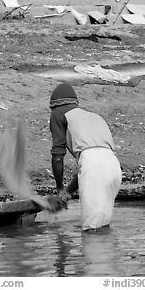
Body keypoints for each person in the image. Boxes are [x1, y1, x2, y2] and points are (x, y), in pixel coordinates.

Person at [49, 82, 122, 231]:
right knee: (102, 226)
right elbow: (90, 167)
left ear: (54, 105)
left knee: (91, 231)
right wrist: (67, 193)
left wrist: (59, 189)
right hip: (114, 166)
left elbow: (58, 156)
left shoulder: (58, 113)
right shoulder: (95, 117)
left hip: (93, 166)